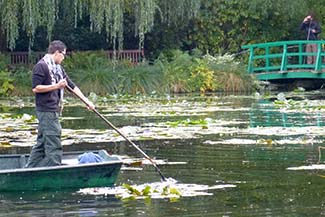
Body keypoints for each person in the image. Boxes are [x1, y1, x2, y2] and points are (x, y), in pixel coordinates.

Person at [26, 40, 95, 168]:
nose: (63, 58)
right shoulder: (41, 66)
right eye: (63, 55)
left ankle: (29, 169)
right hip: (46, 110)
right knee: (54, 142)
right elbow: (36, 88)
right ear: (57, 52)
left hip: (54, 110)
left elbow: (71, 86)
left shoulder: (58, 69)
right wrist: (56, 86)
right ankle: (53, 169)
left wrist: (87, 102)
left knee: (41, 143)